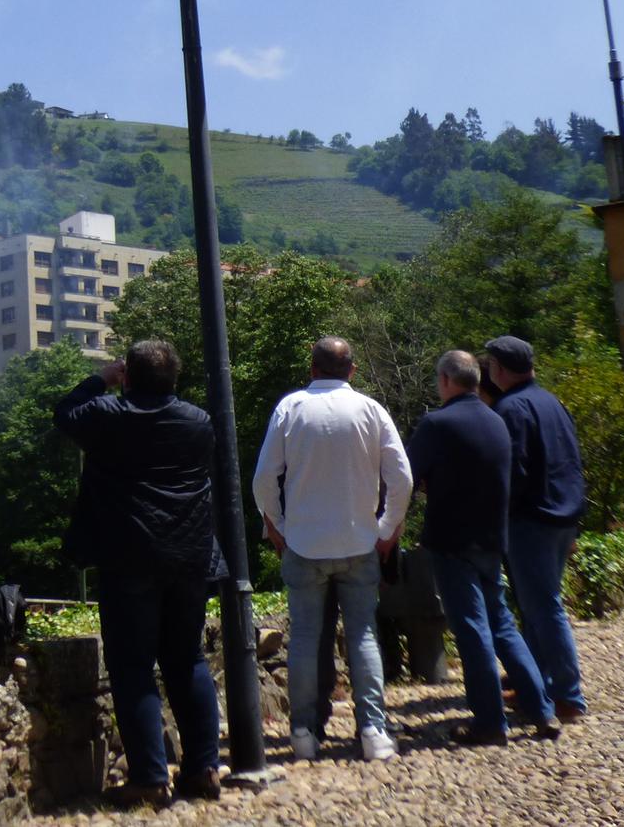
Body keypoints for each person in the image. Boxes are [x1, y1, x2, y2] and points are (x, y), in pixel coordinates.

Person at [56, 340, 225, 807]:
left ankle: (150, 778)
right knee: (187, 660)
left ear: (127, 375)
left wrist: (101, 378)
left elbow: (64, 412)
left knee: (132, 668)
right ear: (174, 379)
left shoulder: (107, 415)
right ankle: (203, 770)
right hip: (190, 554)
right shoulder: (199, 421)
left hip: (129, 554)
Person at [251, 337, 412, 763]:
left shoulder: (291, 408)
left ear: (312, 369)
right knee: (363, 637)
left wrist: (277, 526)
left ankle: (303, 732)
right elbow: (402, 478)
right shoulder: (371, 410)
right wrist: (386, 528)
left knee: (303, 640)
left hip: (304, 544)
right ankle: (374, 730)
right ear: (353, 371)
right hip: (360, 541)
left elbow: (264, 478)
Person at [407, 350, 562, 746]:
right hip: (493, 539)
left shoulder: (436, 424)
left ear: (445, 380)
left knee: (471, 629)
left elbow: (407, 475)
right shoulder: (497, 421)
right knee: (503, 624)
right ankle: (542, 710)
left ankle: (490, 722)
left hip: (451, 539)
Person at [485, 335, 589, 723]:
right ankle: (536, 685)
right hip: (564, 514)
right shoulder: (551, 401)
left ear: (497, 369)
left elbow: (512, 470)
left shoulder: (511, 408)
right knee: (537, 607)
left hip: (532, 519)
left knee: (544, 607)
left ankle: (567, 696)